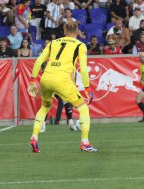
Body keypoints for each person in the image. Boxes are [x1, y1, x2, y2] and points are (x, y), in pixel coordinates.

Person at [28, 22, 97, 153]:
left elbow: (38, 61)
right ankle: (85, 142)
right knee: (83, 109)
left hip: (46, 78)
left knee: (44, 107)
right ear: (77, 32)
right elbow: (83, 69)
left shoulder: (53, 43)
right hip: (62, 80)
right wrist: (87, 89)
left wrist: (32, 81)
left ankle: (34, 137)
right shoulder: (80, 45)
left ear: (64, 30)